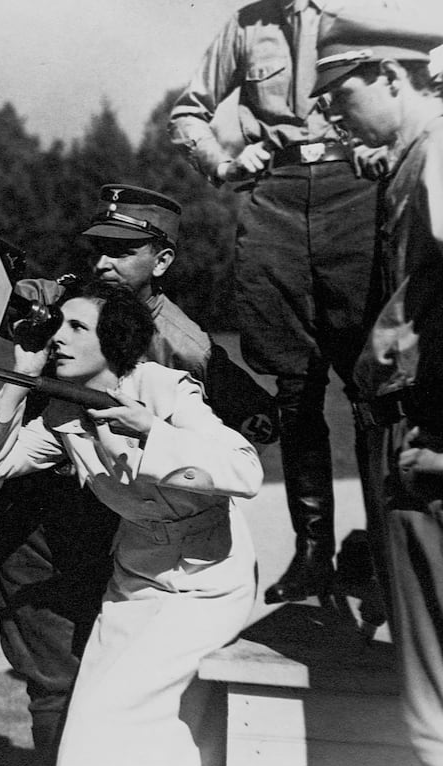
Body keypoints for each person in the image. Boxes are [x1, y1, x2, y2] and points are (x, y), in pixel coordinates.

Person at [0, 184, 275, 766]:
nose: (102, 262)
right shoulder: (67, 304)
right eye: (98, 248)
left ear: (162, 261)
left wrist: (152, 433)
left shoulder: (181, 356)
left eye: (122, 251)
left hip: (168, 550)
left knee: (131, 707)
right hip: (75, 523)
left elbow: (242, 454)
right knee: (68, 693)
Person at [169, 0, 387, 606]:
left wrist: (384, 148)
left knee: (372, 384)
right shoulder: (245, 26)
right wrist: (224, 161)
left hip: (356, 191)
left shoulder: (369, 11)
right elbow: (188, 112)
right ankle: (314, 554)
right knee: (294, 389)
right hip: (276, 200)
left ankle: (387, 550)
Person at [310, 3, 443, 766]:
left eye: (339, 93)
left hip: (432, 437)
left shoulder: (435, 156)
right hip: (416, 432)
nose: (330, 113)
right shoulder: (408, 161)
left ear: (391, 74)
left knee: (434, 695)